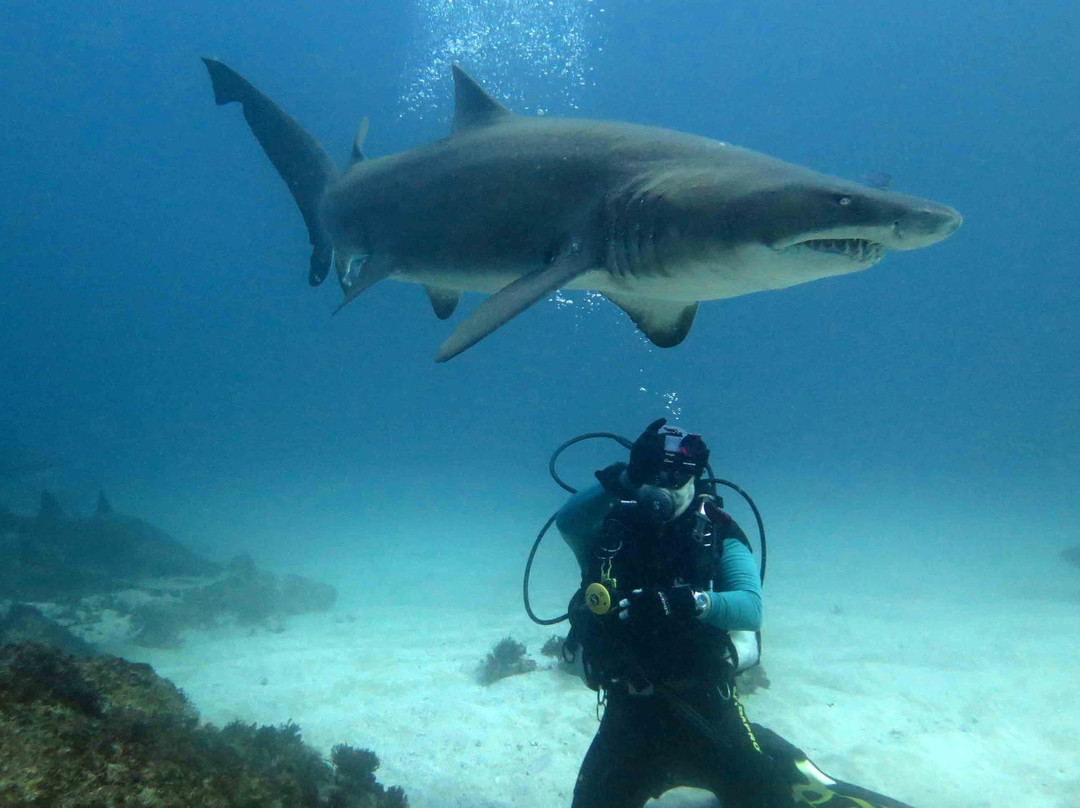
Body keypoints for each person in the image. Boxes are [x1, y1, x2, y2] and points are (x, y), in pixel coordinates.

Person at [557, 418, 913, 808]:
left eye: (677, 480)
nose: (663, 489)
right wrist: (626, 477)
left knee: (766, 799)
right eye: (653, 476)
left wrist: (690, 602)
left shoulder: (716, 533)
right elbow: (567, 520)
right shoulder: (610, 531)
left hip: (708, 707)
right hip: (627, 713)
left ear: (695, 482)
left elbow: (750, 609)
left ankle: (779, 759)